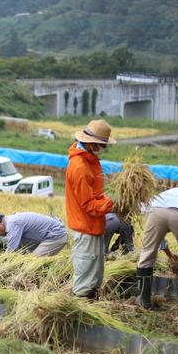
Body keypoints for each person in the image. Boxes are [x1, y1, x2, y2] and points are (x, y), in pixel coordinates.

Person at [66, 119, 116, 299]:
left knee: (94, 277)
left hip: (93, 226)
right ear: (93, 144)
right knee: (85, 281)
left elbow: (96, 194)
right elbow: (88, 205)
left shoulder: (90, 160)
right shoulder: (80, 166)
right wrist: (112, 204)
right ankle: (81, 313)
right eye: (102, 145)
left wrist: (108, 200)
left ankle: (90, 303)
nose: (103, 149)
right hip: (85, 227)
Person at [0, 212, 67, 256]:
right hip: (48, 234)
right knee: (23, 249)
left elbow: (11, 252)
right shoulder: (12, 220)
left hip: (56, 235)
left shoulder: (13, 223)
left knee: (32, 260)